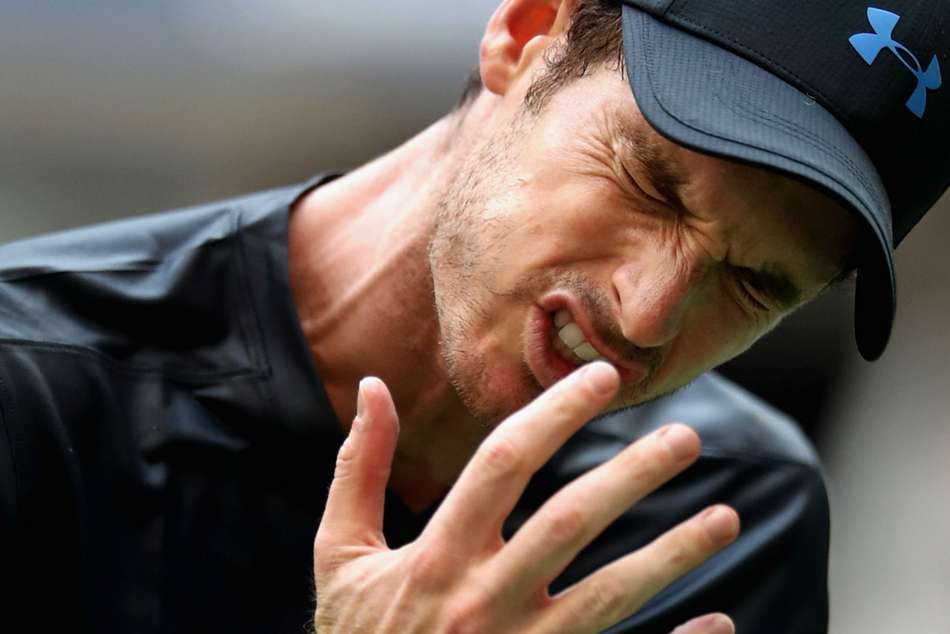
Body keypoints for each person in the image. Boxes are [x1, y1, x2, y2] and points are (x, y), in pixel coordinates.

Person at [0, 1, 946, 633]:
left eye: (755, 284)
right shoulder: (29, 387)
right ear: (525, 35)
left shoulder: (725, 521)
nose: (648, 318)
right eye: (651, 184)